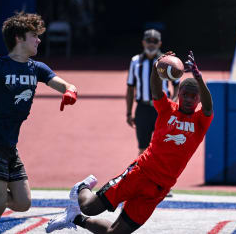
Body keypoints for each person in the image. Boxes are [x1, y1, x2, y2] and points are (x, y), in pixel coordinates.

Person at [45, 51, 213, 233]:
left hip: (160, 188)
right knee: (89, 207)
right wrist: (157, 69)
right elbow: (156, 91)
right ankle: (81, 188)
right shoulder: (167, 109)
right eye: (185, 94)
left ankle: (75, 218)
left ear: (198, 100)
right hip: (140, 173)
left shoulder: (200, 121)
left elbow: (209, 106)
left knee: (115, 233)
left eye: (193, 97)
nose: (188, 99)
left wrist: (199, 79)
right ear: (178, 93)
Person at [0, 12, 78, 234]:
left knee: (22, 202)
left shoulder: (37, 68)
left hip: (9, 144)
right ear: (19, 38)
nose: (38, 40)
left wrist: (70, 92)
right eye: (33, 35)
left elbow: (66, 85)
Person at [126, 29, 179, 156]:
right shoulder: (135, 61)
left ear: (159, 43)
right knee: (143, 149)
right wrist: (128, 112)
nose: (151, 44)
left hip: (162, 110)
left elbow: (177, 85)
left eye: (154, 41)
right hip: (143, 108)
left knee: (163, 147)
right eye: (148, 41)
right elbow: (130, 88)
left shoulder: (167, 62)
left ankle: (160, 176)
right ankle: (142, 175)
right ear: (143, 42)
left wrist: (173, 103)